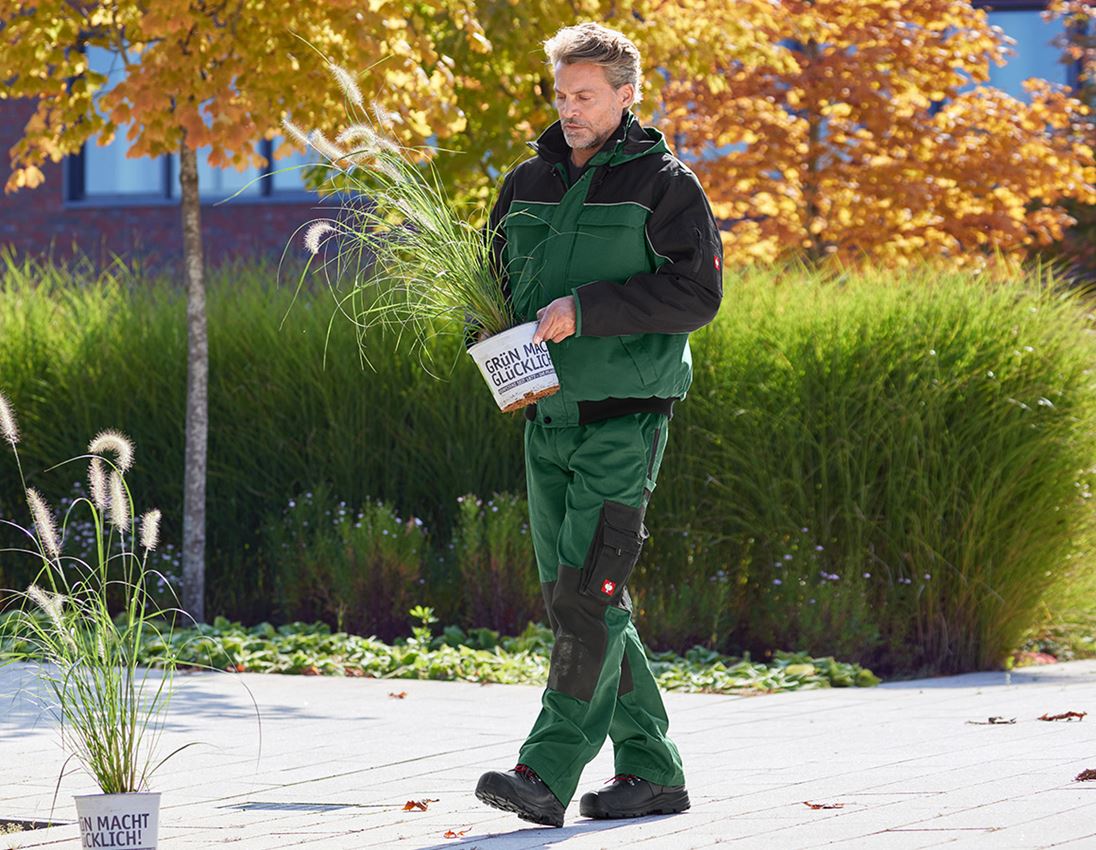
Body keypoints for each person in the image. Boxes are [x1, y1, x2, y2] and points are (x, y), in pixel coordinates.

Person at [472, 22, 724, 828]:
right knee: (582, 595)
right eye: (561, 94)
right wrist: (484, 334)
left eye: (585, 95)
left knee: (586, 593)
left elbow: (698, 297)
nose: (570, 109)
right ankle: (652, 772)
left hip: (628, 415)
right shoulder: (526, 183)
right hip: (544, 413)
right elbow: (490, 282)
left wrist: (587, 310)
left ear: (625, 95)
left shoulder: (665, 185)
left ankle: (543, 772)